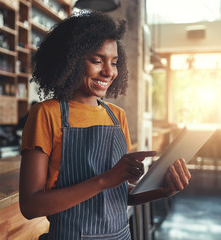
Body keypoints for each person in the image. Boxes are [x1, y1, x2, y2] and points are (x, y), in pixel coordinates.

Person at [19, 11, 191, 240]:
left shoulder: (116, 116)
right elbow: (30, 205)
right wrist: (105, 179)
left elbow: (117, 195)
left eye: (114, 62)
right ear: (71, 60)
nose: (109, 72)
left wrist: (163, 191)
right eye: (97, 60)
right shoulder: (46, 114)